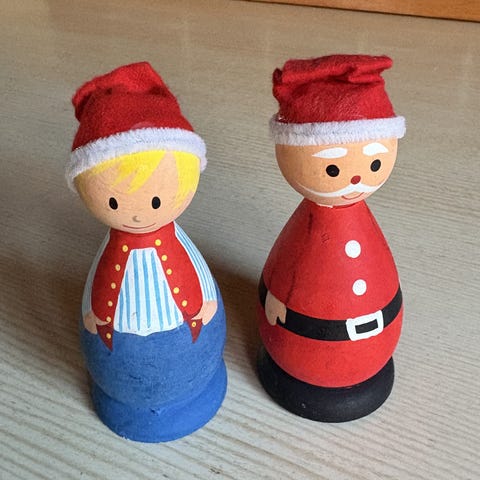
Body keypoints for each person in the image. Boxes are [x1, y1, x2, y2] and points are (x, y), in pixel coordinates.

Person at [68, 62, 227, 442]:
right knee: (126, 365)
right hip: (118, 341)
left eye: (156, 199)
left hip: (190, 334)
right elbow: (102, 298)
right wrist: (94, 319)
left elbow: (196, 289)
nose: (140, 213)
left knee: (187, 355)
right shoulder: (114, 250)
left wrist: (205, 306)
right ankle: (130, 397)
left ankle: (189, 386)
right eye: (115, 199)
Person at [257, 54, 406, 421]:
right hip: (291, 349)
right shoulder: (305, 229)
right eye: (334, 167)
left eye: (373, 163)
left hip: (373, 346)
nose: (355, 179)